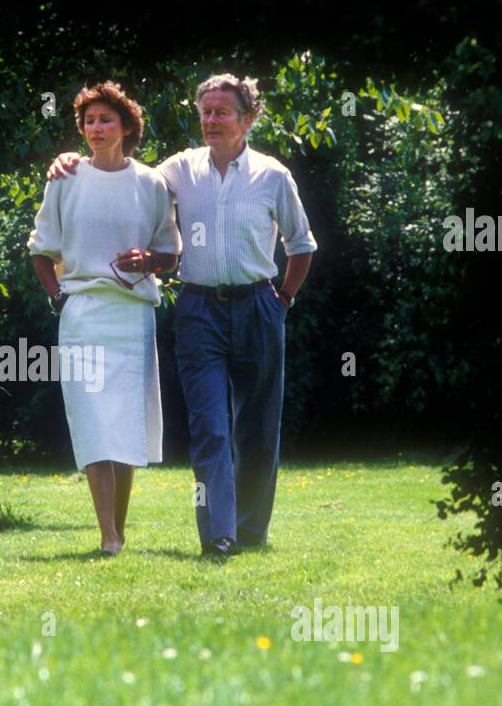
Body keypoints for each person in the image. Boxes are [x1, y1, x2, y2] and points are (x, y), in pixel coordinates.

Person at [47, 73, 317, 562]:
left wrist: (283, 300)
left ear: (248, 119)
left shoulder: (274, 176)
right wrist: (69, 160)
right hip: (198, 309)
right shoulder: (177, 170)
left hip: (260, 305)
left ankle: (250, 529)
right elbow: (121, 171)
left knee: (257, 427)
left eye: (222, 113)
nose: (211, 121)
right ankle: (219, 534)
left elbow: (301, 246)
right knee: (209, 425)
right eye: (205, 112)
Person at [28, 81, 180, 555]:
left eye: (105, 120)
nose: (96, 128)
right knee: (94, 419)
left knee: (126, 423)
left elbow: (172, 254)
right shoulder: (64, 179)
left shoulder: (152, 183)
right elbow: (40, 249)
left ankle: (119, 529)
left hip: (133, 315)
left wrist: (149, 260)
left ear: (126, 127)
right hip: (84, 314)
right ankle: (107, 537)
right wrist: (59, 298)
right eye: (89, 121)